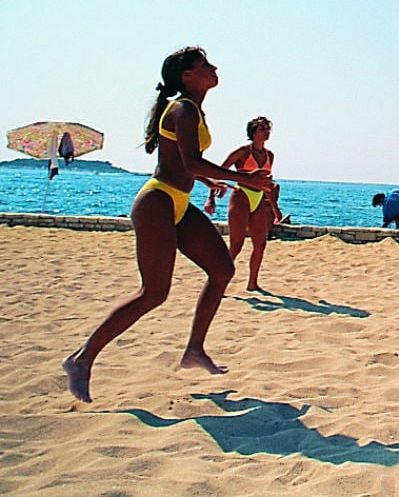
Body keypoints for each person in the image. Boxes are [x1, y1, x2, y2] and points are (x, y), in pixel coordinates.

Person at [62, 47, 273, 403]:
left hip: (177, 201)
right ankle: (81, 360)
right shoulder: (183, 108)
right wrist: (244, 181)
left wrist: (210, 183)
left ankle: (194, 349)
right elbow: (190, 163)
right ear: (187, 75)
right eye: (205, 64)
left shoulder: (193, 109)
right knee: (154, 292)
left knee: (222, 270)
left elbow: (184, 162)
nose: (214, 67)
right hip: (158, 202)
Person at [204, 116, 281, 291]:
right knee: (236, 245)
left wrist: (276, 209)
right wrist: (211, 198)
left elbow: (267, 183)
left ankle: (252, 283)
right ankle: (217, 283)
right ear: (253, 132)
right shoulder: (242, 152)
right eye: (262, 129)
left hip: (259, 198)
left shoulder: (270, 155)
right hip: (241, 196)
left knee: (260, 244)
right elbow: (219, 172)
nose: (266, 132)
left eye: (268, 129)